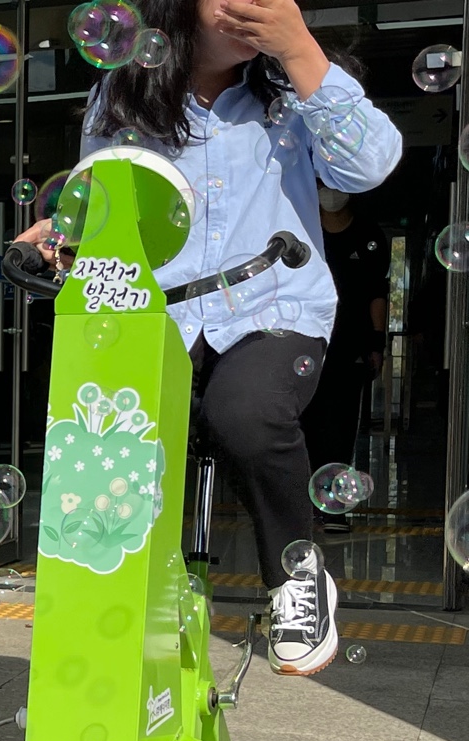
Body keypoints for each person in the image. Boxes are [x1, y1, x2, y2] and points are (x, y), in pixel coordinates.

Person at [22, 0, 401, 675]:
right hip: (158, 312)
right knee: (109, 434)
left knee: (245, 412)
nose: (254, 4)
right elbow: (100, 204)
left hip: (274, 307)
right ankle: (113, 596)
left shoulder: (292, 88)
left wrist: (299, 48)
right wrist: (63, 235)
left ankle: (296, 575)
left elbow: (369, 166)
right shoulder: (121, 92)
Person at [301, 181, 389, 533]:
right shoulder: (305, 229)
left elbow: (377, 293)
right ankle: (307, 503)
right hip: (308, 343)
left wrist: (377, 344)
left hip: (351, 347)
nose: (330, 193)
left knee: (341, 426)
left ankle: (334, 506)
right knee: (305, 424)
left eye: (335, 186)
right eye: (322, 185)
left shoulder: (369, 236)